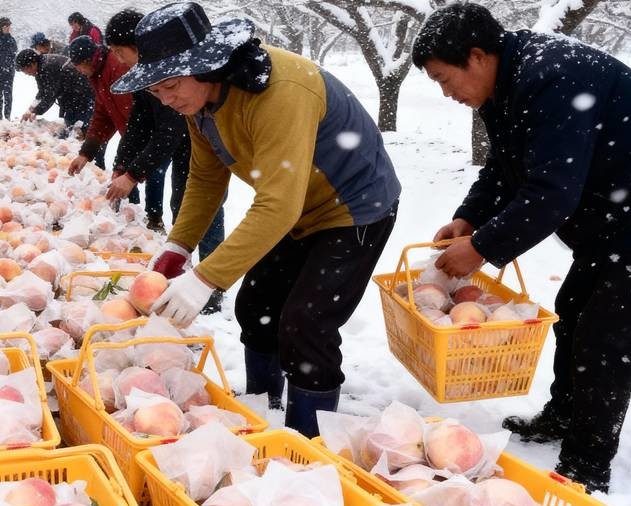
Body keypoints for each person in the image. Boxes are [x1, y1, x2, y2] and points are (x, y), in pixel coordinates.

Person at [413, 3, 631, 493]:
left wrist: (482, 248)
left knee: (605, 340)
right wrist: (471, 217)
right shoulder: (505, 87)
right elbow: (505, 169)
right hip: (611, 219)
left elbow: (552, 191)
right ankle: (563, 415)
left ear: (477, 56)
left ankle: (587, 463)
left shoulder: (554, 79)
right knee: (572, 312)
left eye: (445, 80)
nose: (446, 94)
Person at [113, 3, 400, 435]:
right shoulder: (199, 104)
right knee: (256, 306)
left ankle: (307, 437)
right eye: (156, 92)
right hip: (296, 207)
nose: (166, 99)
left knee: (306, 324)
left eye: (170, 85)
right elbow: (206, 181)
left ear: (206, 65)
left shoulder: (280, 91)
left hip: (353, 208)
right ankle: (261, 411)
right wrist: (177, 248)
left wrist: (205, 279)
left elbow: (277, 205)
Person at [103, 9, 224, 314]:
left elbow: (169, 131)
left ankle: (210, 287)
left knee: (203, 211)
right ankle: (189, 277)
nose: (117, 59)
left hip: (197, 150)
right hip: (189, 150)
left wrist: (132, 174)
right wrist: (122, 163)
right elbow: (139, 124)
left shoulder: (177, 78)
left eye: (120, 51)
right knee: (183, 208)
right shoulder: (149, 79)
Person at [66, 36, 133, 180]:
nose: (80, 72)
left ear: (86, 61)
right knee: (127, 175)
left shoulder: (116, 69)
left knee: (151, 180)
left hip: (155, 133)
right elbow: (102, 115)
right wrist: (86, 153)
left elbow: (134, 116)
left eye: (79, 68)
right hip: (135, 135)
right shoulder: (98, 73)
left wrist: (123, 163)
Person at [16, 49, 95, 138]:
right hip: (70, 97)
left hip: (82, 96)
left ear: (32, 64)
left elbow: (50, 96)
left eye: (24, 70)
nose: (26, 74)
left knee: (78, 131)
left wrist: (35, 111)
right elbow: (42, 92)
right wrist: (30, 109)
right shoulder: (40, 68)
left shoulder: (48, 67)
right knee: (69, 130)